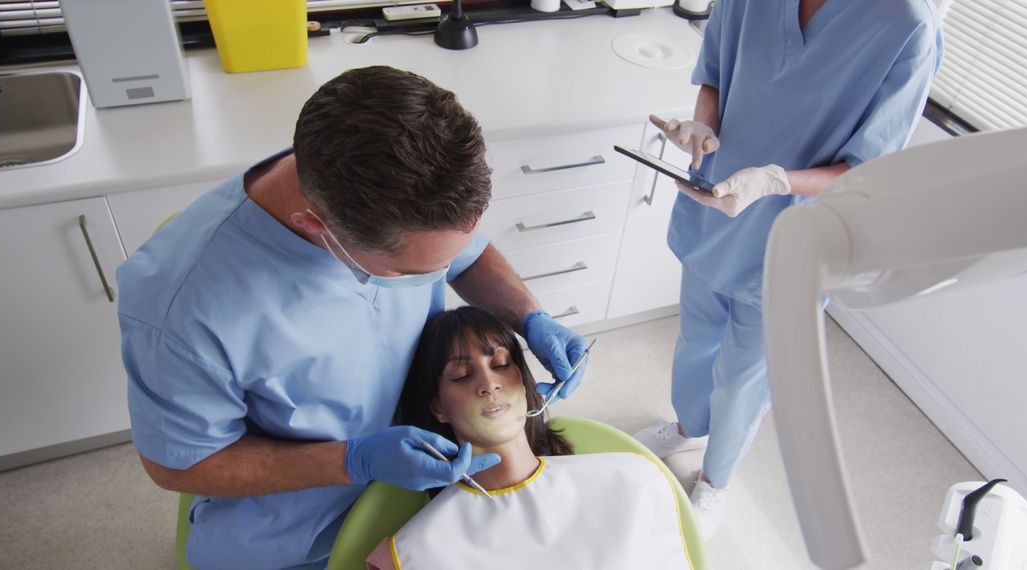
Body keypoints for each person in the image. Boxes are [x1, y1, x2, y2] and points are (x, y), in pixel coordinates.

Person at [116, 66, 590, 569]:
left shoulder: (402, 194)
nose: (443, 271)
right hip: (298, 532)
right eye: (415, 272)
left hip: (429, 485)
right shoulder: (181, 311)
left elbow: (464, 252)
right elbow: (178, 463)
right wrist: (351, 460)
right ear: (318, 228)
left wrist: (529, 315)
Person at [634, 0, 944, 536]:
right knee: (696, 338)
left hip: (796, 233)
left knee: (745, 376)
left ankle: (715, 480)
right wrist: (700, 132)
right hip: (718, 206)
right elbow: (715, 74)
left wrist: (776, 181)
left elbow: (867, 169)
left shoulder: (906, 26)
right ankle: (689, 427)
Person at [365, 306, 694, 570]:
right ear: (438, 408)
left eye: (501, 364)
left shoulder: (634, 480)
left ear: (524, 384)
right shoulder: (412, 553)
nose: (489, 383)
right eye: (462, 375)